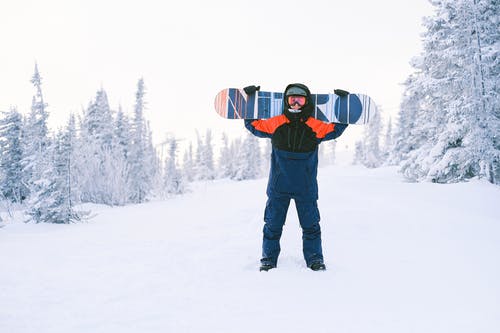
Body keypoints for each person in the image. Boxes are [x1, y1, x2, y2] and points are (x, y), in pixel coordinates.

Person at [244, 83, 349, 271]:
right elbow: (253, 125)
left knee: (311, 227)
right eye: (292, 99)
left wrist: (344, 104)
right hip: (279, 186)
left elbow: (335, 130)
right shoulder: (277, 122)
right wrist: (251, 99)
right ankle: (268, 259)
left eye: (300, 99)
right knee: (272, 226)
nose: (295, 103)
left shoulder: (314, 125)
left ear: (306, 102)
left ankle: (315, 260)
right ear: (286, 101)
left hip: (305, 187)